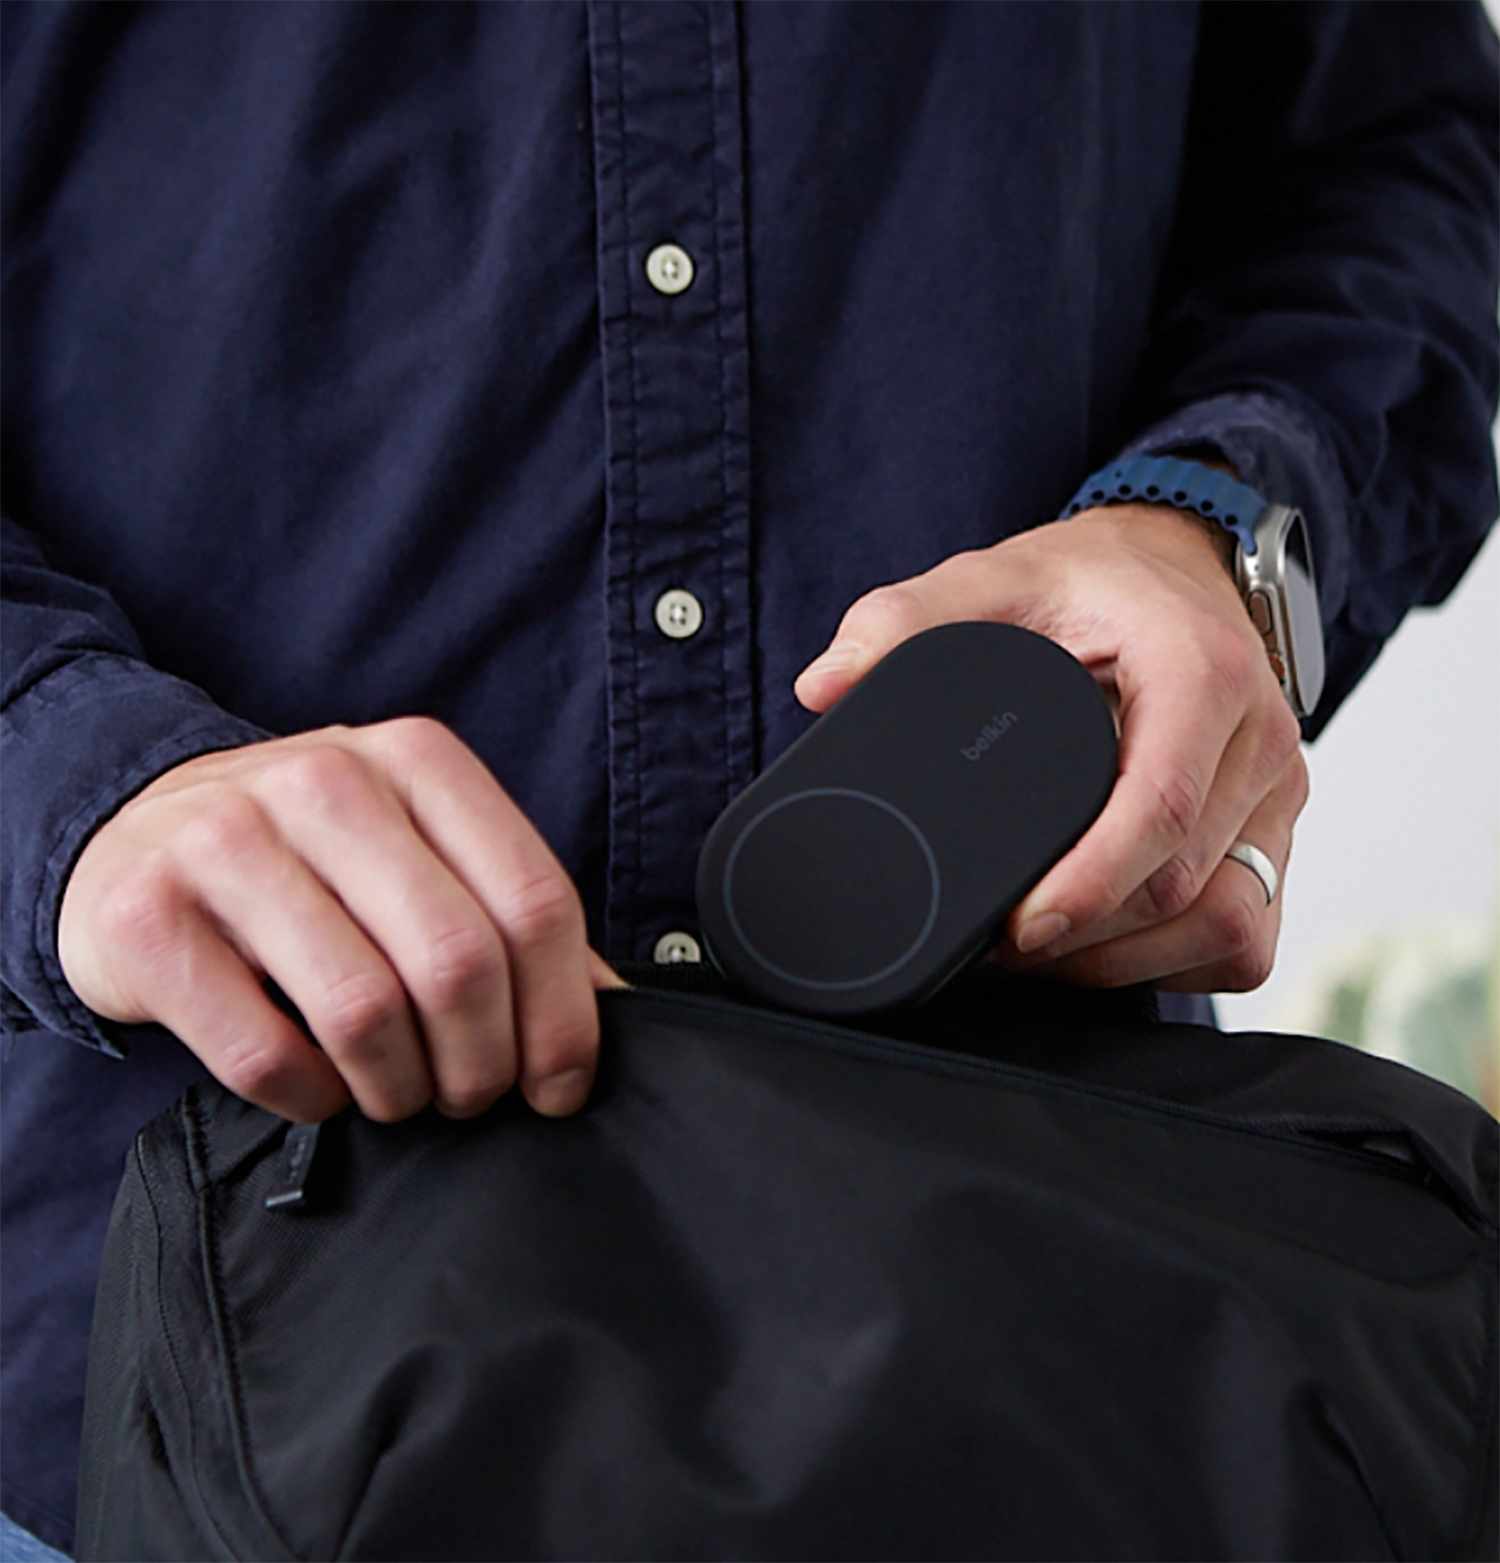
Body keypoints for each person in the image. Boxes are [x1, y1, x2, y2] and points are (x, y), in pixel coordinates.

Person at [3, 2, 1496, 1556]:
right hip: (175, 1374)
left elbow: (1393, 163)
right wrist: (66, 764)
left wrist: (1215, 527)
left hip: (1050, 1376)